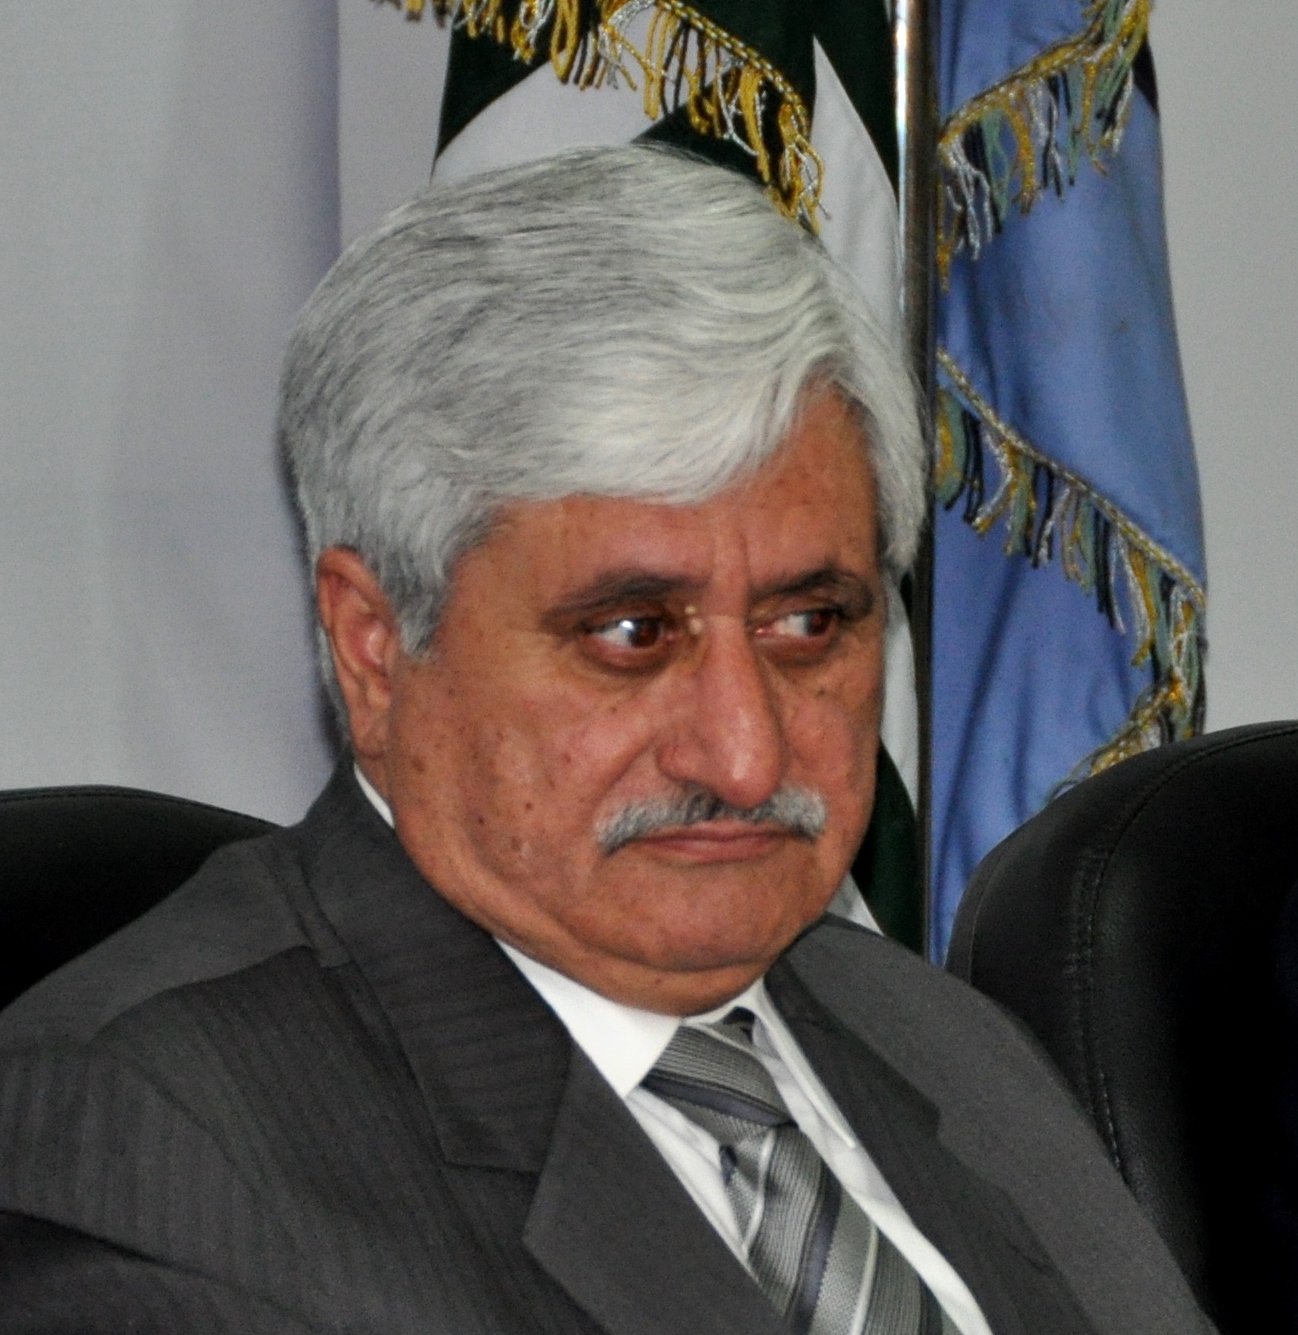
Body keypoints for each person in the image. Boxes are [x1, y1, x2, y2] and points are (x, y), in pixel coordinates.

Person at [0, 146, 1209, 1335]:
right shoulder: (138, 1141)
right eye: (631, 634)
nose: (743, 757)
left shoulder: (932, 1035)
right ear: (374, 647)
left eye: (805, 623)